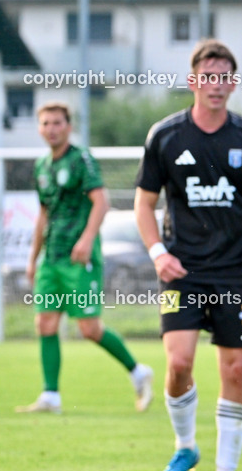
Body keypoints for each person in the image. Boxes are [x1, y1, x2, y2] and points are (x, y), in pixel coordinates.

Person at [134, 39, 242, 471]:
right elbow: (143, 204)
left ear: (233, 83)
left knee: (235, 370)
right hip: (181, 271)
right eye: (208, 76)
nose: (216, 85)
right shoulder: (165, 136)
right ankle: (185, 447)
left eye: (224, 77)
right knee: (178, 363)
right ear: (193, 81)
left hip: (235, 273)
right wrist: (157, 252)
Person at [17, 101, 153, 414]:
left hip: (80, 258)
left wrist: (87, 238)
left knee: (89, 328)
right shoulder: (42, 166)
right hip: (51, 258)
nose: (51, 129)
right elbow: (42, 216)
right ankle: (51, 395)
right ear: (39, 128)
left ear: (69, 126)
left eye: (57, 123)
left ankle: (137, 371)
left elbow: (101, 201)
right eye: (46, 123)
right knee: (45, 322)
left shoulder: (81, 159)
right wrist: (33, 259)